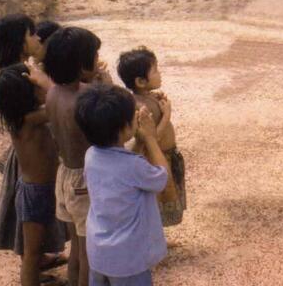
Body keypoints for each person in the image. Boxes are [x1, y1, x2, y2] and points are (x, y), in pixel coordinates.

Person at [0, 15, 67, 273]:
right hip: (32, 171)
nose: (37, 38)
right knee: (31, 230)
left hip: (33, 168)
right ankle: (32, 264)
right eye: (31, 34)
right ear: (19, 42)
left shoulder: (16, 73)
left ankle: (35, 259)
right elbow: (57, 107)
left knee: (36, 227)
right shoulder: (20, 77)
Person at [76, 83, 168, 286]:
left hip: (99, 252)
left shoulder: (90, 155)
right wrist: (151, 140)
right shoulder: (133, 166)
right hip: (128, 259)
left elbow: (121, 170)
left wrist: (138, 142)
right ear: (124, 128)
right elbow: (161, 178)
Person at [0, 63, 61, 286]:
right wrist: (45, 82)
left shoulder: (19, 117)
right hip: (37, 193)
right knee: (31, 253)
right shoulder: (30, 120)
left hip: (38, 189)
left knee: (35, 249)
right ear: (27, 96)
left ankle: (36, 276)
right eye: (36, 87)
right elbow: (59, 104)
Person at [44, 27, 102, 286]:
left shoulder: (53, 93)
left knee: (77, 247)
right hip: (85, 181)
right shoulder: (85, 97)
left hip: (66, 175)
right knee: (90, 249)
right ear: (81, 65)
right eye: (95, 55)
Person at [117, 47, 186, 227]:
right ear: (140, 81)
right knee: (154, 201)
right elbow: (151, 138)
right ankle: (154, 238)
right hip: (156, 159)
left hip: (166, 156)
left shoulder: (147, 98)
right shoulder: (140, 107)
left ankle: (158, 237)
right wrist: (166, 115)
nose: (159, 73)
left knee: (162, 200)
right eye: (155, 70)